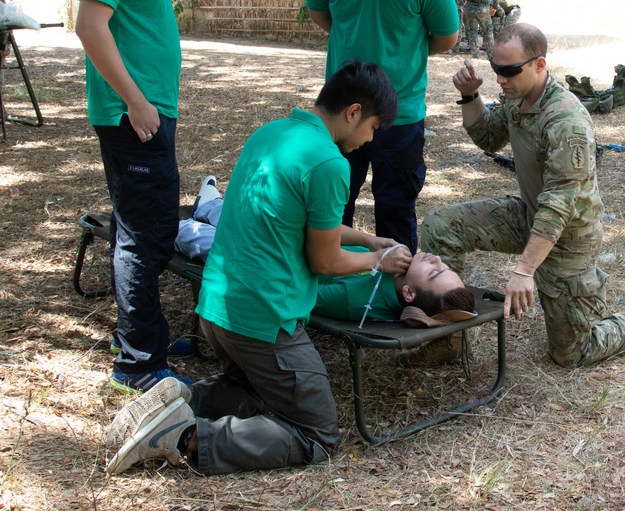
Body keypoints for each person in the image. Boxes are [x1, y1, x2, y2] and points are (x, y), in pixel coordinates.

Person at [104, 60, 417, 476]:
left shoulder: (272, 133)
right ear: (354, 112)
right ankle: (183, 436)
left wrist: (365, 239)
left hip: (216, 308)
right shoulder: (330, 163)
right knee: (318, 435)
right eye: (373, 127)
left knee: (254, 390)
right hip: (263, 321)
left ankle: (180, 400)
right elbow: (324, 259)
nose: (370, 139)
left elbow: (299, 219)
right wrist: (378, 260)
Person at [421, 23, 625, 369]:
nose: (500, 79)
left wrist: (524, 269)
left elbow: (559, 206)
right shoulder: (519, 98)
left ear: (539, 65)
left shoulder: (565, 120)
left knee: (573, 352)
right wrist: (471, 96)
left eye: (509, 71)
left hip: (569, 237)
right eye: (495, 69)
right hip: (532, 214)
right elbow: (488, 137)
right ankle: (448, 341)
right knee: (441, 226)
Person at [75, 0, 207, 393]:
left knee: (141, 227)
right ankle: (137, 363)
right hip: (136, 116)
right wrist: (134, 99)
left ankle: (139, 335)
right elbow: (89, 26)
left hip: (148, 113)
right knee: (145, 236)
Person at [305, 0, 459, 253]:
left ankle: (397, 288)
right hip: (341, 112)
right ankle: (329, 283)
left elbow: (445, 38)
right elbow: (321, 17)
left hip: (401, 115)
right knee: (332, 201)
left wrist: (403, 56)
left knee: (395, 203)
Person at [174, 176, 476, 327]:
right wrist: (369, 241)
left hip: (270, 262)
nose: (436, 258)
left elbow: (292, 293)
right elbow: (326, 233)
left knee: (222, 241)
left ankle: (176, 228)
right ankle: (210, 205)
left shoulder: (354, 300)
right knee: (260, 216)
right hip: (297, 239)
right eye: (446, 266)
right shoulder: (396, 268)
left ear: (409, 294)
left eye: (435, 271)